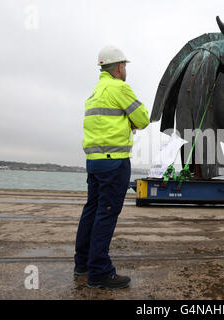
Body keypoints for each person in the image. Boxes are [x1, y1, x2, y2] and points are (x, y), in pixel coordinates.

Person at [74, 45, 150, 289]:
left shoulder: (95, 92)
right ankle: (99, 272)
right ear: (119, 67)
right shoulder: (119, 87)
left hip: (94, 162)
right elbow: (143, 119)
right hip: (114, 162)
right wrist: (130, 123)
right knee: (106, 214)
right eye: (124, 65)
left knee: (92, 211)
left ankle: (83, 264)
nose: (125, 69)